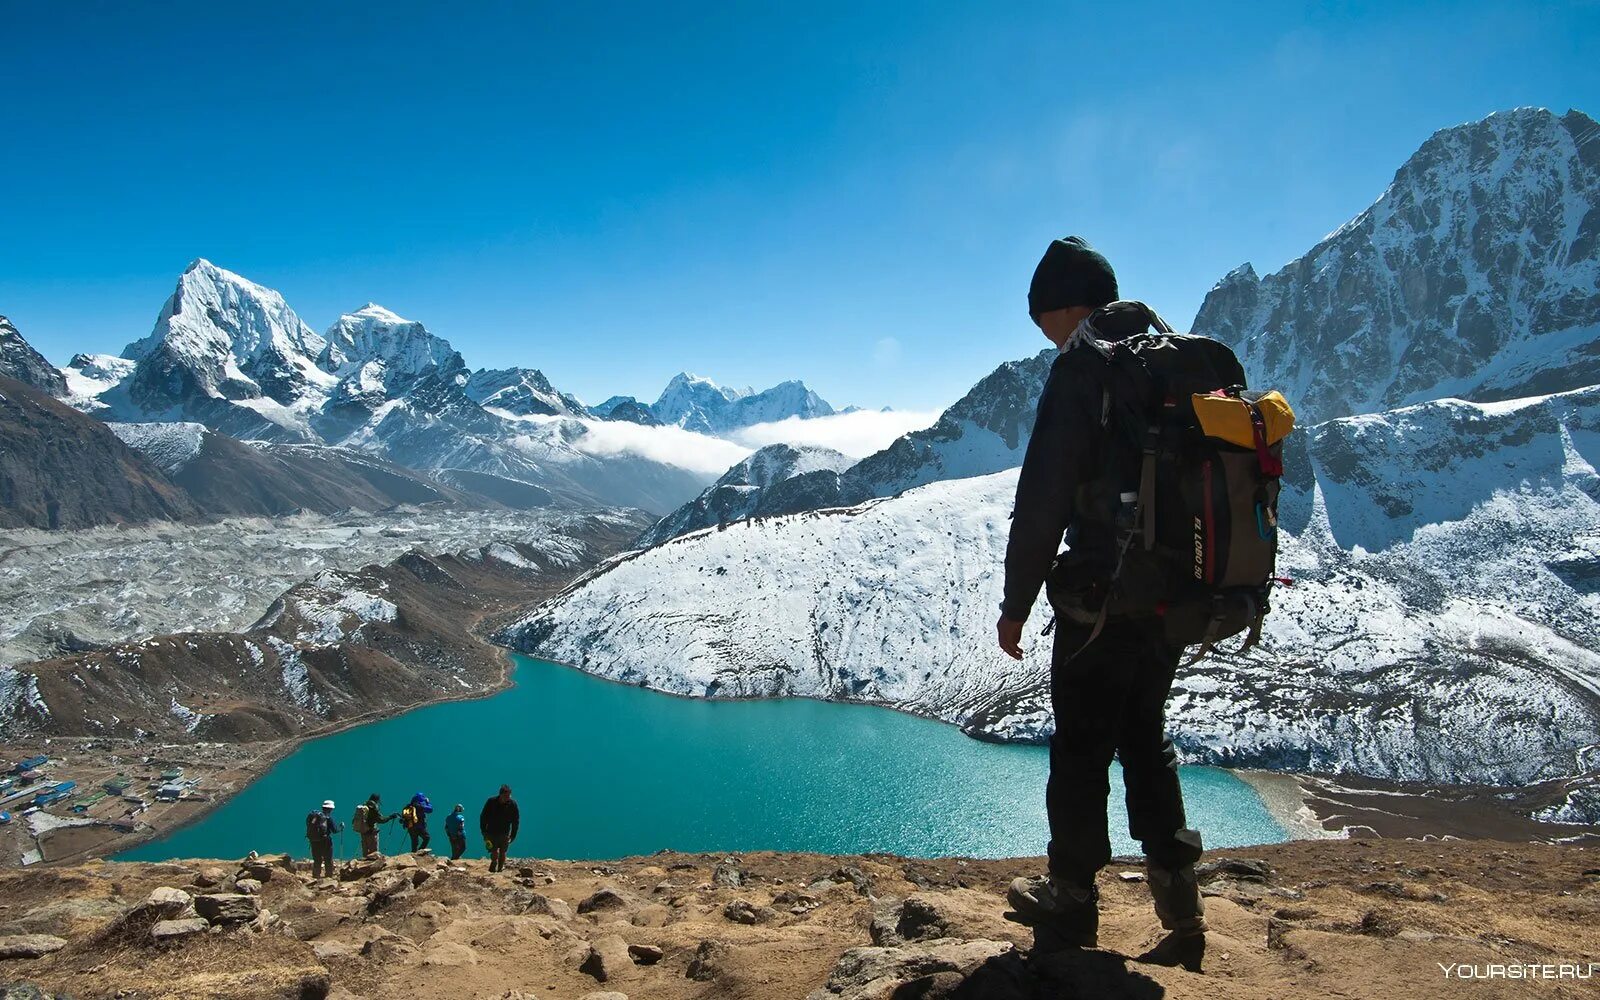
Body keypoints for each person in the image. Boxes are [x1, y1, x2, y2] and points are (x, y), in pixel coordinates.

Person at [998, 236, 1217, 963]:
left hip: (1101, 599)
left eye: (1043, 320)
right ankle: (1181, 909)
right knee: (1145, 739)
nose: (1043, 335)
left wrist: (1016, 603)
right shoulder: (1174, 361)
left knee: (1082, 749)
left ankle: (1070, 903)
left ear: (1065, 306)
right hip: (1176, 598)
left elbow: (1043, 502)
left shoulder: (1084, 370)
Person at [479, 784, 520, 873]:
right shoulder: (491, 802)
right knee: (494, 851)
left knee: (503, 852)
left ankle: (500, 868)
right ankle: (493, 864)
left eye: (509, 796)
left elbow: (515, 821)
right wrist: (483, 831)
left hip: (504, 832)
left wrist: (513, 835)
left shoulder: (512, 804)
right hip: (491, 832)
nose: (508, 798)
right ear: (500, 794)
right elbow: (483, 816)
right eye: (506, 796)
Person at [306, 799, 343, 879]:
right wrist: (341, 827)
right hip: (325, 841)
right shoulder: (328, 818)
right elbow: (335, 830)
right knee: (328, 858)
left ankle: (316, 876)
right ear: (330, 809)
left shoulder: (314, 816)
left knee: (317, 859)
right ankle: (328, 876)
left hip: (313, 840)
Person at [352, 793, 396, 857]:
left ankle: (364, 864)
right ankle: (371, 865)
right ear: (377, 800)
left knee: (365, 852)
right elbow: (381, 820)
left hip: (363, 831)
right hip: (371, 832)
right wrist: (390, 817)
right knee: (373, 854)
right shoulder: (373, 807)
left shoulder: (365, 805)